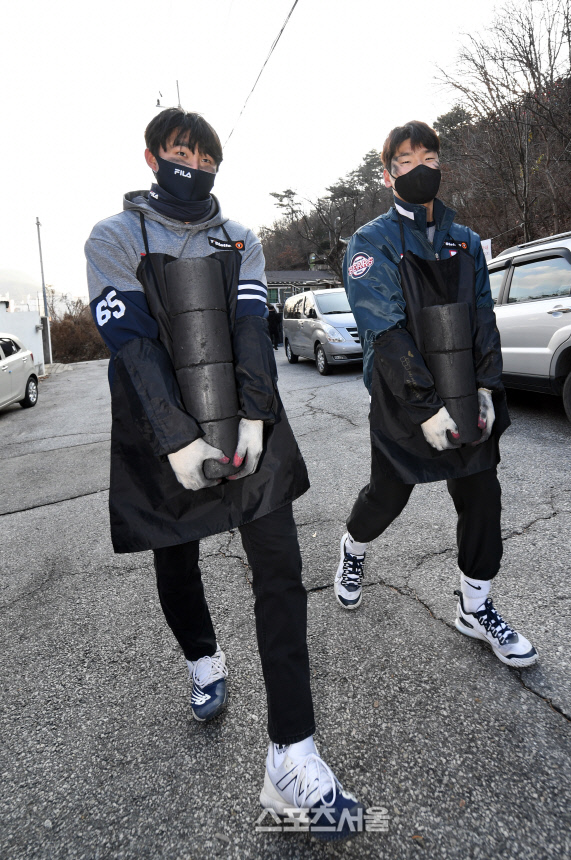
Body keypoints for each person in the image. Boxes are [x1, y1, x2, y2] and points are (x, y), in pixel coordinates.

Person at [85, 107, 362, 837]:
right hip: (157, 430)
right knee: (177, 562)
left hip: (243, 418)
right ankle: (203, 659)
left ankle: (291, 755)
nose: (195, 165)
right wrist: (177, 439)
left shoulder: (239, 237)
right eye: (181, 152)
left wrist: (253, 417)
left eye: (207, 156)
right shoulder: (112, 238)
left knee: (280, 567)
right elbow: (131, 342)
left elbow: (248, 327)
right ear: (152, 158)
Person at [333, 120, 538, 668]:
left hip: (466, 389)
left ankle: (475, 607)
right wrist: (425, 409)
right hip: (404, 397)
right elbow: (386, 329)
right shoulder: (371, 242)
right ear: (387, 174)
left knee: (481, 497)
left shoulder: (465, 240)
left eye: (429, 156)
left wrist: (489, 387)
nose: (420, 167)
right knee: (388, 494)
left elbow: (482, 321)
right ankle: (354, 549)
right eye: (406, 159)